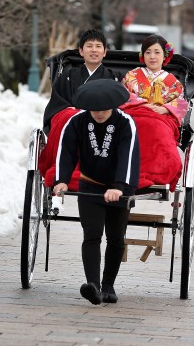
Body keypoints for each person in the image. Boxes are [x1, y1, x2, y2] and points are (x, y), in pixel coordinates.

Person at [52, 79, 140, 305]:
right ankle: (93, 285)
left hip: (120, 187)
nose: (99, 113)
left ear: (113, 105)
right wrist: (62, 180)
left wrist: (119, 186)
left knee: (116, 238)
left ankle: (109, 285)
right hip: (90, 184)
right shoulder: (76, 122)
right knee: (92, 234)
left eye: (103, 109)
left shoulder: (125, 123)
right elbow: (67, 152)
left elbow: (127, 156)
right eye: (94, 109)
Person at [42, 28, 118, 134]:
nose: (94, 50)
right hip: (74, 128)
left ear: (105, 52)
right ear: (81, 51)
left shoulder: (114, 77)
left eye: (98, 46)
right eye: (89, 46)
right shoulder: (67, 77)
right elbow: (57, 106)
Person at [121, 35, 189, 125]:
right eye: (148, 52)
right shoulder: (132, 75)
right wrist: (142, 105)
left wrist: (164, 109)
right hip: (135, 116)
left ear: (164, 56)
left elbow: (181, 104)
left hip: (161, 120)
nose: (152, 56)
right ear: (143, 55)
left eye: (157, 52)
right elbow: (122, 95)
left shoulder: (173, 82)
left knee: (159, 129)